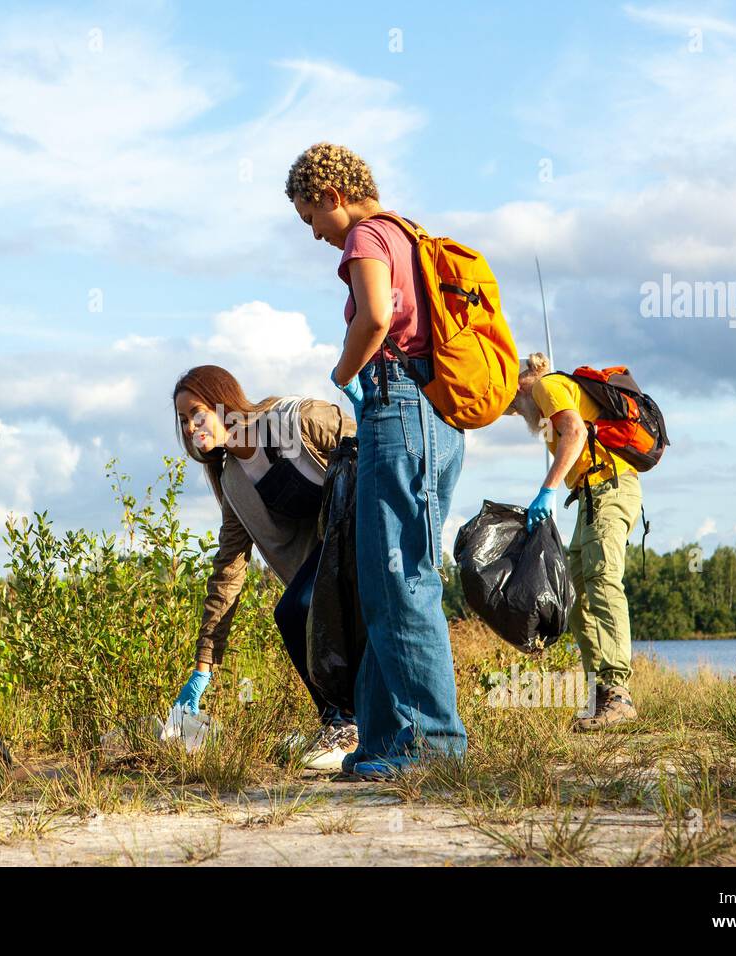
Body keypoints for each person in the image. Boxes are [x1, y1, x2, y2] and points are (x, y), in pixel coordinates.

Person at [284, 142, 468, 778]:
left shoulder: (366, 237)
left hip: (400, 407)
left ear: (333, 196)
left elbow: (376, 316)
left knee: (401, 582)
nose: (315, 234)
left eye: (312, 217)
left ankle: (432, 749)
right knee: (384, 583)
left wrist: (342, 371)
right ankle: (385, 744)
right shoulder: (409, 236)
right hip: (433, 419)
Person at [170, 365, 358, 770]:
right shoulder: (235, 484)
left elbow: (368, 444)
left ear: (224, 404)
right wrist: (204, 665)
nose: (190, 428)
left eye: (197, 413)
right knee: (292, 610)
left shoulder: (291, 421)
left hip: (367, 534)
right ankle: (340, 726)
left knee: (301, 605)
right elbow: (228, 573)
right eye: (183, 420)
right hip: (329, 558)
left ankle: (349, 726)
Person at [506, 352, 643, 730]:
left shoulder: (548, 387)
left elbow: (576, 432)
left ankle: (619, 694)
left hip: (609, 489)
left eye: (514, 404)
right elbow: (495, 410)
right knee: (579, 596)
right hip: (590, 497)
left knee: (603, 583)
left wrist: (547, 489)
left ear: (521, 386)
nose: (516, 414)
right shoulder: (543, 399)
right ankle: (601, 697)